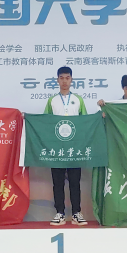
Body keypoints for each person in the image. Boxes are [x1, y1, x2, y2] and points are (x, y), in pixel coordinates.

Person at [44, 66, 88, 226]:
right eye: (61, 78)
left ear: (71, 80)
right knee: (58, 182)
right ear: (57, 80)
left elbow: (85, 122)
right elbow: (45, 122)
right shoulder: (52, 101)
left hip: (74, 149)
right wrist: (27, 118)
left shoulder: (78, 100)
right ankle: (60, 213)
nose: (64, 81)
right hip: (57, 149)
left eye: (67, 78)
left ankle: (76, 213)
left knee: (75, 182)